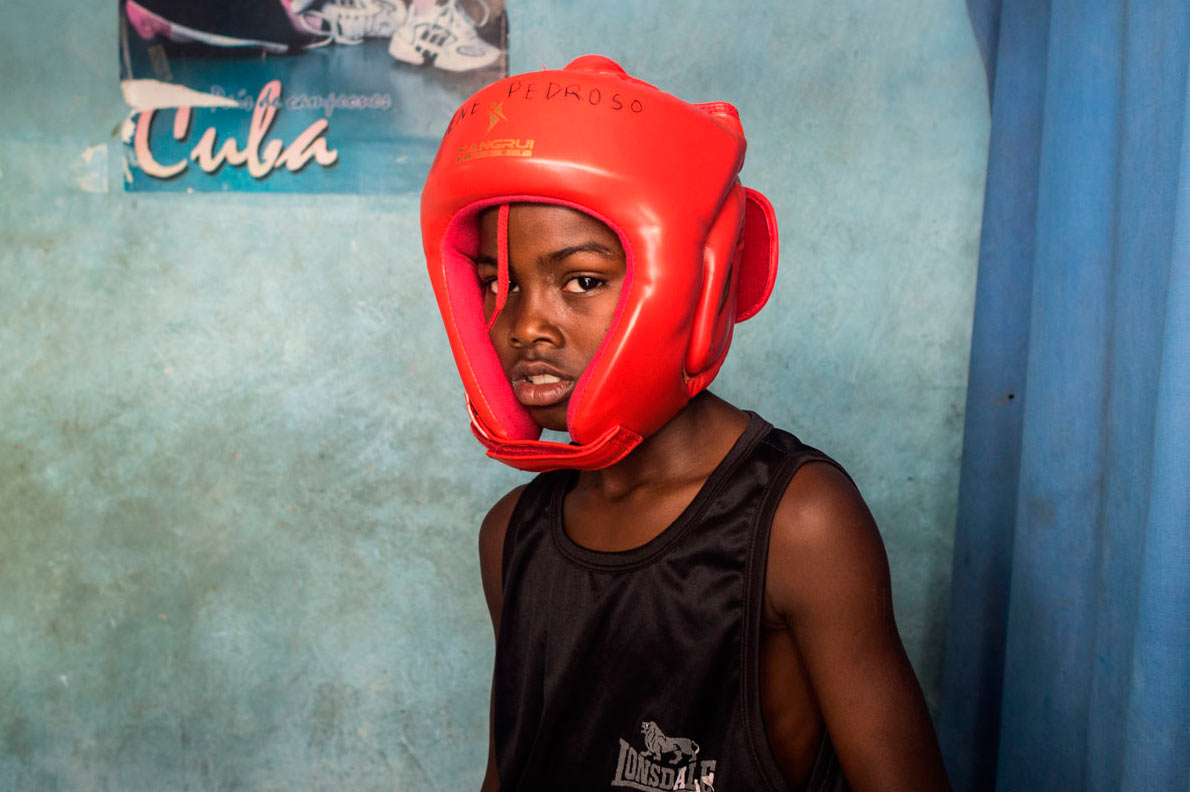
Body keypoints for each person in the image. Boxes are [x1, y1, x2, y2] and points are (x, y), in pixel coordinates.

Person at [420, 55, 952, 792]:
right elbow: (509, 771)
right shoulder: (512, 534)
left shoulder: (800, 521)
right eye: (496, 284)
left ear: (693, 287)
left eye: (582, 280)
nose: (525, 325)